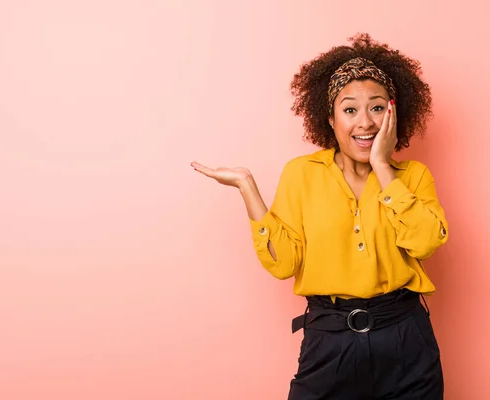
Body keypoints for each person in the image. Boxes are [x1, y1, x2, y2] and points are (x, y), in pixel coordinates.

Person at [191, 33, 448, 400]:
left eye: (377, 108)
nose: (365, 122)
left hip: (405, 338)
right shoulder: (301, 174)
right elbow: (284, 264)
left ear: (392, 114)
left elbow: (425, 243)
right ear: (329, 118)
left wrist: (382, 167)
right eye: (349, 110)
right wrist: (247, 187)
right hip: (330, 339)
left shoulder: (413, 176)